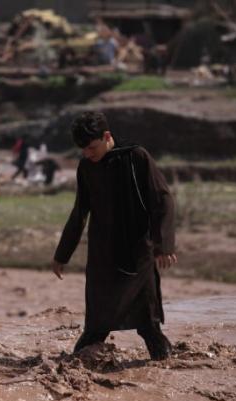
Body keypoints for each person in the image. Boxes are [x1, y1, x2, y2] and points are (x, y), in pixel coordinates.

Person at [51, 111, 177, 360]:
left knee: (149, 325)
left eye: (92, 147)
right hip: (102, 255)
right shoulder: (87, 166)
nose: (88, 153)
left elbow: (162, 199)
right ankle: (76, 372)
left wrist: (164, 245)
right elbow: (80, 212)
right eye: (83, 150)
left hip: (138, 253)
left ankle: (166, 368)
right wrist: (62, 254)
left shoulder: (136, 157)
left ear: (106, 136)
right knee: (96, 326)